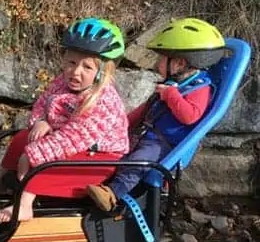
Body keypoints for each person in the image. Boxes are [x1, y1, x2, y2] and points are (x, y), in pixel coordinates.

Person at [0, 17, 130, 223]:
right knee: (21, 138)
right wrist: (41, 121)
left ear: (101, 73)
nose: (76, 71)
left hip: (100, 157)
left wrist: (33, 155)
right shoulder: (63, 82)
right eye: (71, 62)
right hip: (65, 140)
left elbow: (72, 138)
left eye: (87, 67)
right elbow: (42, 103)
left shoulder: (102, 101)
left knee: (48, 162)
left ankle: (25, 205)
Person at [86, 17, 227, 212]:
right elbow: (146, 109)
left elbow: (191, 116)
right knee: (114, 149)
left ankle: (111, 194)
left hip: (163, 145)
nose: (157, 64)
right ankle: (89, 183)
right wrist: (120, 124)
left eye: (160, 59)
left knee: (138, 161)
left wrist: (171, 95)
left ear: (178, 63)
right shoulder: (175, 84)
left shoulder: (198, 89)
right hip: (147, 134)